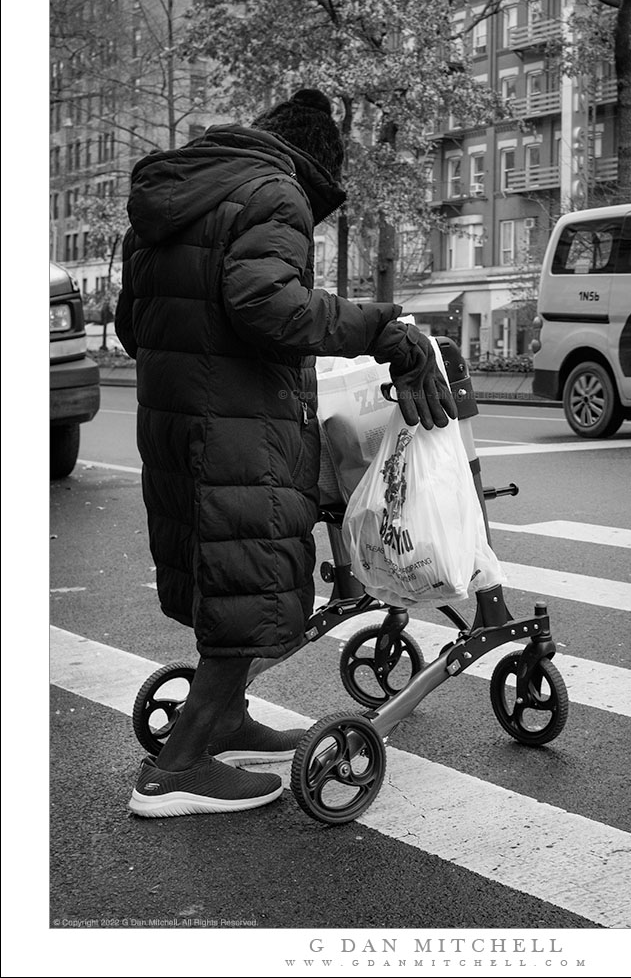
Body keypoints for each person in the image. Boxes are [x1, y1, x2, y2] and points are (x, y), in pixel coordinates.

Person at [116, 88, 456, 818]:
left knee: (225, 578)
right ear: (316, 167)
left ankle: (226, 721)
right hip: (239, 428)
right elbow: (267, 306)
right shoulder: (275, 192)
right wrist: (381, 332)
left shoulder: (172, 197)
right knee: (253, 575)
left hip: (175, 421)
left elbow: (131, 325)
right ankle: (176, 769)